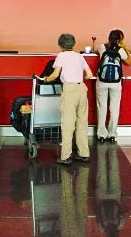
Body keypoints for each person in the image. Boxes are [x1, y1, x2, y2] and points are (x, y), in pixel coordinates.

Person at [42, 33, 93, 166]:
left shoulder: (61, 55)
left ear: (60, 44)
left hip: (69, 90)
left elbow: (55, 74)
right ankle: (84, 154)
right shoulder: (79, 56)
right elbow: (90, 75)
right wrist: (79, 79)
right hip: (82, 89)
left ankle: (65, 156)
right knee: (82, 123)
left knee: (68, 123)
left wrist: (46, 79)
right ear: (73, 43)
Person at [96, 30, 131, 144]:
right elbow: (129, 62)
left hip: (101, 82)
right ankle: (112, 134)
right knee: (114, 108)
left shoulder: (102, 47)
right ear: (119, 40)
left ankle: (102, 134)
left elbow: (97, 53)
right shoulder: (121, 50)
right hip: (116, 83)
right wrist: (126, 49)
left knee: (102, 107)